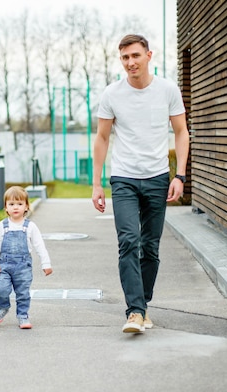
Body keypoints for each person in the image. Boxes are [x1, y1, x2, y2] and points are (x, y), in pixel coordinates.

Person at [91, 34, 190, 334]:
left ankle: (142, 304)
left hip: (158, 177)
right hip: (124, 179)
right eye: (125, 58)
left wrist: (180, 175)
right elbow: (102, 138)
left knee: (150, 247)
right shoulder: (112, 94)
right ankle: (135, 311)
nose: (130, 62)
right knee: (129, 242)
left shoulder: (168, 90)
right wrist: (97, 184)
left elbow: (181, 132)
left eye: (135, 55)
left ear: (149, 55)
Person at [0, 186, 53, 329]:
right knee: (1, 289)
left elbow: (39, 246)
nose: (15, 207)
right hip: (4, 266)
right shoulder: (2, 226)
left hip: (23, 267)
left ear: (26, 206)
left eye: (19, 204)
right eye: (11, 204)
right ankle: (2, 308)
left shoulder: (30, 226)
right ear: (6, 207)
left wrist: (46, 263)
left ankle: (23, 316)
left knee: (23, 293)